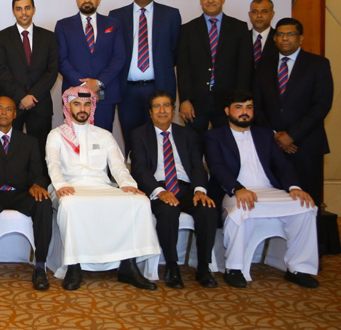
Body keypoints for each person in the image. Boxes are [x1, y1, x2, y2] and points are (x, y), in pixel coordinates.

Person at [46, 85, 159, 291]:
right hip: (70, 187)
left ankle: (129, 265)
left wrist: (128, 185)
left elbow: (118, 165)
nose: (82, 109)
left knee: (139, 201)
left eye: (87, 104)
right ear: (68, 106)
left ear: (92, 107)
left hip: (101, 186)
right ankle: (74, 266)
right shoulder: (56, 135)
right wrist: (61, 185)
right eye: (77, 104)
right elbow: (53, 164)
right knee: (71, 204)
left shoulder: (104, 135)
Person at [205, 90, 320, 288]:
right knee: (240, 209)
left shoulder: (265, 134)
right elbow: (216, 167)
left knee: (306, 207)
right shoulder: (214, 136)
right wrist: (237, 188)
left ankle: (299, 268)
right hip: (233, 191)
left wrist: (294, 187)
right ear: (227, 111)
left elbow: (282, 165)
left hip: (269, 191)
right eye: (239, 107)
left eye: (249, 107)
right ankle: (234, 268)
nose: (245, 112)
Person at [129, 90, 218, 289]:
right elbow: (140, 170)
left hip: (186, 188)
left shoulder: (188, 134)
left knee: (207, 209)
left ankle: (204, 268)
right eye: (157, 106)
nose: (162, 111)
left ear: (174, 110)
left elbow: (197, 166)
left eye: (167, 106)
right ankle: (172, 266)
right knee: (168, 211)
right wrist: (159, 191)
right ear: (150, 112)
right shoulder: (139, 135)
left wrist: (200, 190)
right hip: (158, 189)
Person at [0, 96, 52, 291]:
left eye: (8, 109)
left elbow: (38, 173)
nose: (4, 112)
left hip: (22, 194)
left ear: (15, 114)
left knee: (43, 203)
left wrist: (37, 185)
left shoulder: (29, 142)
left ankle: (40, 266)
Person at [253, 18, 333, 206]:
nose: (285, 38)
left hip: (306, 146)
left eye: (290, 34)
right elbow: (256, 105)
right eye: (280, 34)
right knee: (276, 204)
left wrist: (292, 135)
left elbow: (321, 105)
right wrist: (275, 136)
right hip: (272, 146)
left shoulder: (318, 64)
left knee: (307, 203)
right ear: (274, 39)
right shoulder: (262, 67)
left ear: (301, 38)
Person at [107, 0, 181, 153]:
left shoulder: (170, 15)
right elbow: (112, 51)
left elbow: (176, 51)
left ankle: (159, 176)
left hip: (158, 87)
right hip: (127, 90)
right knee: (131, 137)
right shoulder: (116, 16)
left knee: (159, 136)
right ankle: (135, 175)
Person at [176, 0, 252, 137]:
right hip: (196, 102)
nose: (210, 0)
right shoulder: (187, 29)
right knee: (194, 148)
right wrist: (185, 100)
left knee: (227, 146)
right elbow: (183, 68)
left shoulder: (239, 28)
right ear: (200, 1)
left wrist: (239, 101)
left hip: (227, 100)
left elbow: (244, 67)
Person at [55, 0, 126, 131]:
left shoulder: (113, 24)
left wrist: (99, 82)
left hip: (104, 93)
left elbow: (119, 57)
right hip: (74, 93)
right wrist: (83, 85)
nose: (87, 0)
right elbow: (61, 59)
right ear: (76, 0)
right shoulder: (63, 25)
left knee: (102, 139)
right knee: (76, 141)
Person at [0, 0, 58, 151]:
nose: (23, 12)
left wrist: (32, 96)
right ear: (13, 11)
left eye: (27, 8)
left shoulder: (49, 37)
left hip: (40, 104)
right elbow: (1, 70)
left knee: (41, 150)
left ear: (34, 10)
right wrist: (21, 96)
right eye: (19, 9)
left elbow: (52, 70)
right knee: (11, 150)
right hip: (12, 103)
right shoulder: (1, 37)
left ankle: (39, 177)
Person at [248, 0, 276, 69]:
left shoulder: (279, 38)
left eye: (264, 11)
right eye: (255, 11)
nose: (259, 15)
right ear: (249, 15)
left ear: (272, 14)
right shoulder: (241, 38)